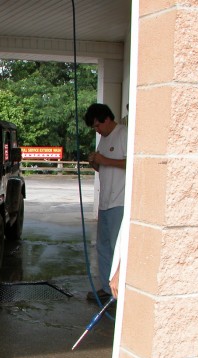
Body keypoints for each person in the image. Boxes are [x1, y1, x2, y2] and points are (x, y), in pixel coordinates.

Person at [85, 103, 127, 303]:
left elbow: (130, 164)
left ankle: (118, 292)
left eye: (97, 126)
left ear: (107, 119)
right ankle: (105, 287)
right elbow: (103, 168)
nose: (97, 130)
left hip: (120, 201)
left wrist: (105, 159)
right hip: (105, 202)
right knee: (102, 247)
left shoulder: (124, 134)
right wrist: (95, 161)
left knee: (116, 248)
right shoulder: (103, 139)